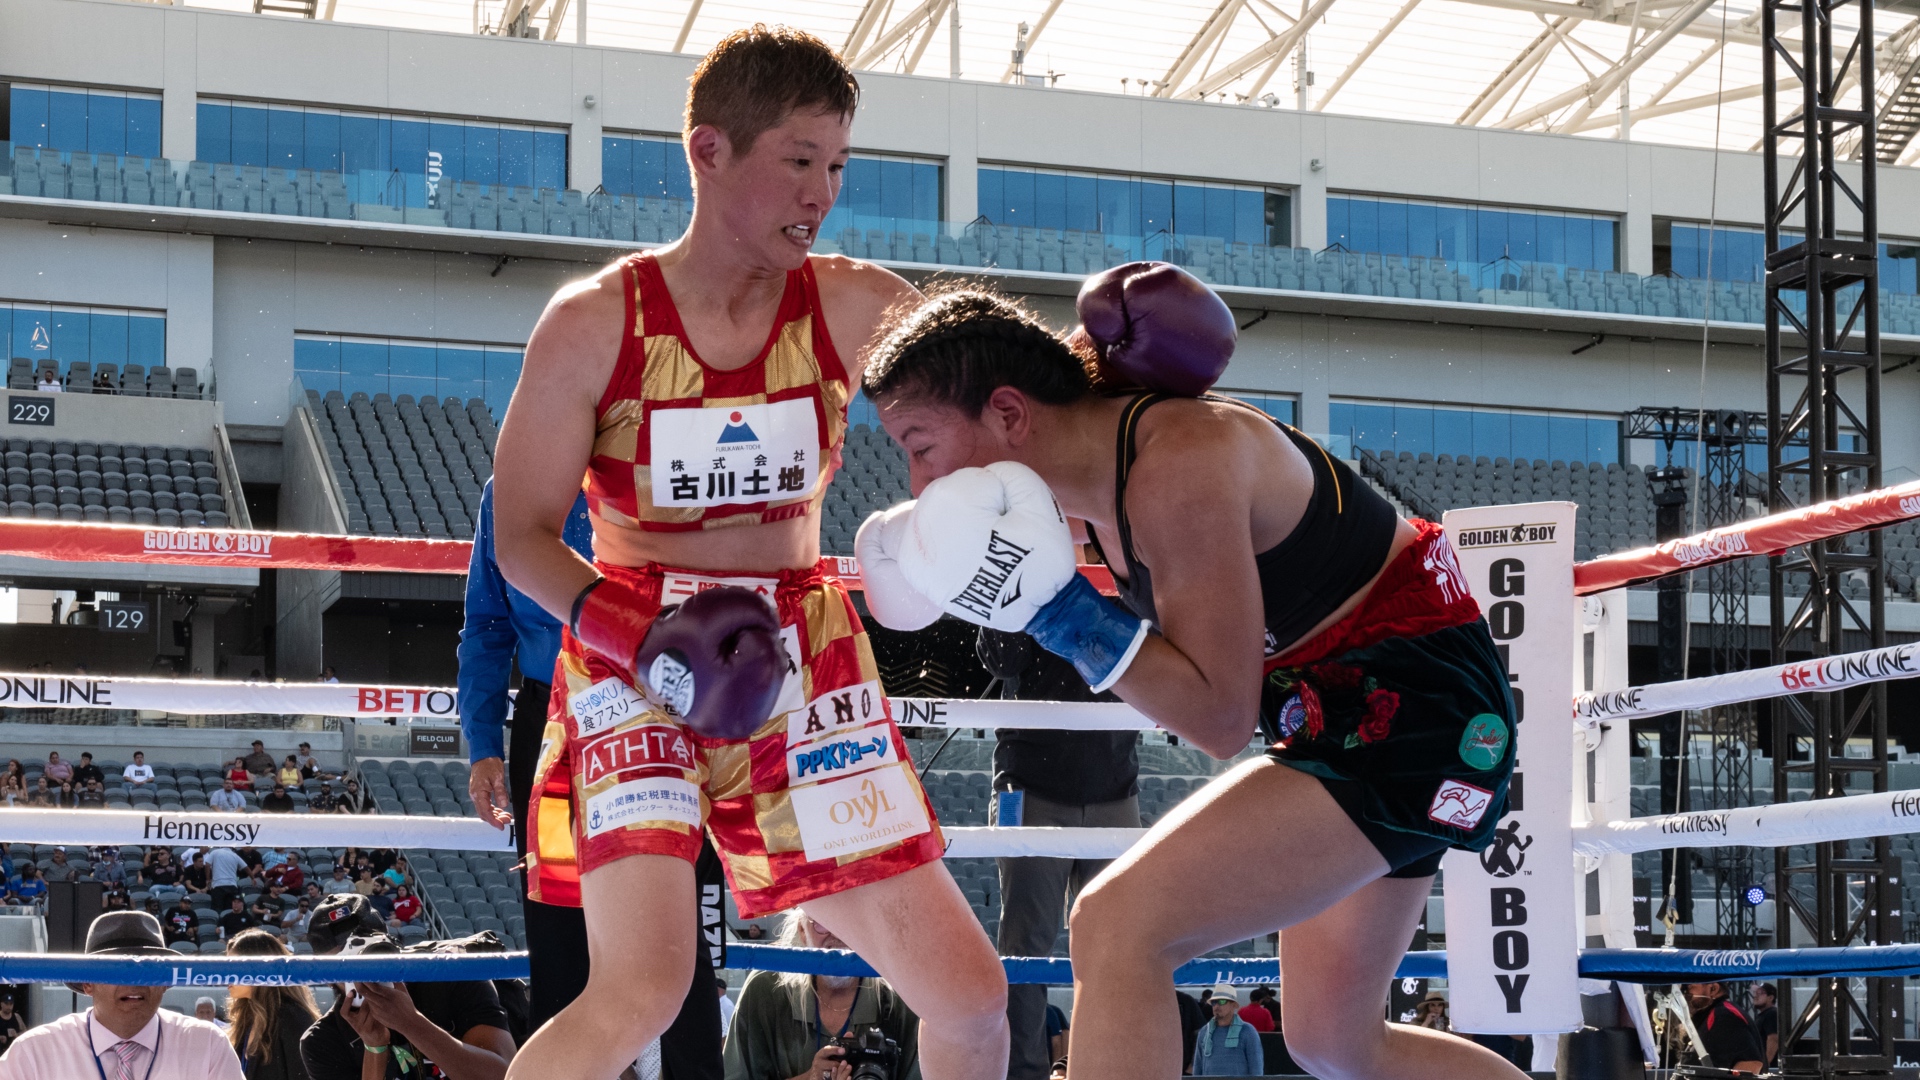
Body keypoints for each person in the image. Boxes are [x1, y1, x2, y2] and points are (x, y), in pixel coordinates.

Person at [488, 25, 1006, 1080]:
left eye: (838, 166)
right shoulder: (593, 322)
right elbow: (519, 538)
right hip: (636, 661)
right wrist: (645, 634)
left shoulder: (857, 303)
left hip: (801, 650)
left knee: (969, 991)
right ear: (709, 150)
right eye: (799, 161)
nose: (822, 193)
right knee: (639, 990)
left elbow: (994, 411)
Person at [857, 282, 1522, 1080]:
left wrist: (1064, 615)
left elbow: (1215, 717)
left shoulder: (1173, 464)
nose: (919, 482)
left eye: (921, 445)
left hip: (1416, 715)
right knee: (1332, 1040)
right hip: (1347, 712)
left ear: (1007, 413)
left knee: (1117, 924)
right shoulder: (1094, 479)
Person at [462, 477, 728, 1072]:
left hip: (660, 715)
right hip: (553, 729)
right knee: (559, 926)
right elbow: (486, 624)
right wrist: (484, 746)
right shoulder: (511, 490)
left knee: (678, 929)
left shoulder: (668, 462)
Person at [975, 631, 1140, 1080]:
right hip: (1030, 788)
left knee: (1117, 945)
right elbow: (1001, 660)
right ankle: (1024, 1074)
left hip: (1114, 787)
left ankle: (1097, 1067)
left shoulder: (1132, 565)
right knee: (1027, 943)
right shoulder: (1028, 562)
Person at [0, 911, 243, 1078]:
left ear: (166, 982)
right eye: (117, 969)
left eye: (148, 969)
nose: (134, 981)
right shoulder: (33, 1053)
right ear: (87, 984)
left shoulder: (207, 1045)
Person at [299, 895, 517, 1080]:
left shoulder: (451, 975)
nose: (364, 972)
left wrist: (411, 1023)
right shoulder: (323, 1040)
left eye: (368, 952)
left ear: (392, 944)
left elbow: (506, 1075)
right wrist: (374, 1047)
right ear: (327, 974)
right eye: (345, 963)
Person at [721, 912, 921, 1080]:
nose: (838, 934)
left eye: (851, 919)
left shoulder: (902, 997)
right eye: (823, 921)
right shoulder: (765, 989)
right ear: (802, 929)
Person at [225, 929, 318, 1080]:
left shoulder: (293, 1018)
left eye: (233, 966)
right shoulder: (246, 1019)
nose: (226, 975)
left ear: (258, 969)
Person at [1684, 982, 1764, 1074]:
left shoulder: (1724, 1014)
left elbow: (1751, 1065)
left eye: (1691, 986)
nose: (1687, 992)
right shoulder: (1714, 1013)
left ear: (1713, 989)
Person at [1190, 986, 1263, 1078]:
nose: (1216, 1006)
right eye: (1214, 1002)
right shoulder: (1204, 1032)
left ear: (1233, 1005)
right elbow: (1197, 1067)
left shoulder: (1247, 1031)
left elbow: (1256, 1068)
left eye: (1222, 1001)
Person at [1750, 983, 1778, 1068]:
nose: (1755, 996)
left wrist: (1765, 1065)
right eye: (1755, 993)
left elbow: (1773, 1039)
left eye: (1760, 993)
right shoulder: (1763, 1015)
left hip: (1770, 1068)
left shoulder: (1771, 1014)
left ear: (1770, 997)